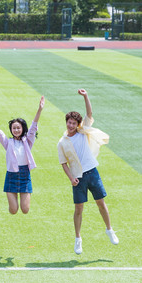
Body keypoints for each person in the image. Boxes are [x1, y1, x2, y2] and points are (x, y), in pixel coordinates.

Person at [57, 89, 119, 255]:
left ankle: (109, 229)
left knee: (101, 203)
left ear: (77, 124)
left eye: (73, 123)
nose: (70, 125)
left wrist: (85, 96)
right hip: (77, 178)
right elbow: (63, 164)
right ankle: (78, 239)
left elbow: (90, 113)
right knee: (79, 209)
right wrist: (71, 178)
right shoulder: (62, 142)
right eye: (68, 122)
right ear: (66, 123)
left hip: (92, 172)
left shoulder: (83, 132)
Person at [0, 96, 45, 214]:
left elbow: (33, 126)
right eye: (14, 128)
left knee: (25, 210)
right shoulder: (8, 142)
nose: (16, 130)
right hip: (11, 175)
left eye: (18, 128)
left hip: (25, 175)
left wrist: (39, 110)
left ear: (22, 129)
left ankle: (17, 196)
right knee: (13, 210)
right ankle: (12, 197)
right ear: (11, 130)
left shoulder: (28, 141)